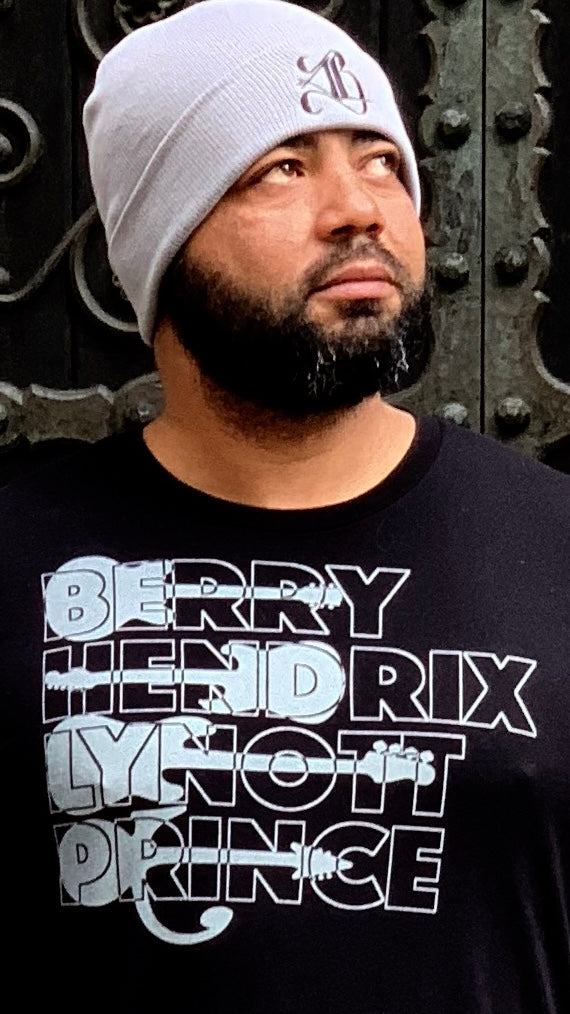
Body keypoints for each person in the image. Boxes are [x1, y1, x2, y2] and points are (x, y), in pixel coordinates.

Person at [0, 1, 568, 1010]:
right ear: (161, 240)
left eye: (382, 161)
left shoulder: (553, 544)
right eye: (281, 168)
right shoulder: (18, 564)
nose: (359, 209)